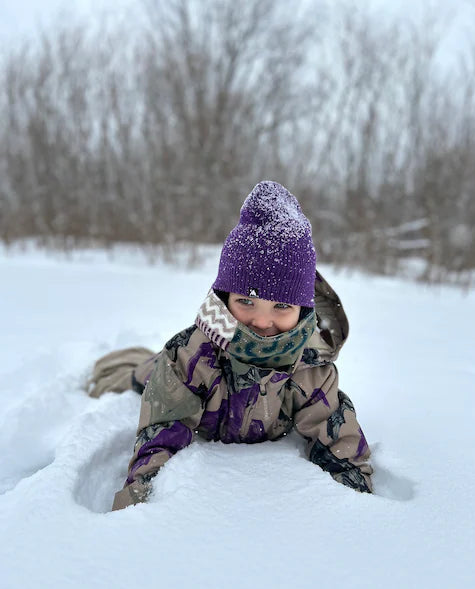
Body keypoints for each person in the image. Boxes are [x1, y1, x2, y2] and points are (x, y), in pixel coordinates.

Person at [88, 181, 373, 510]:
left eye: (281, 307)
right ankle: (120, 364)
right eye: (246, 302)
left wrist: (358, 507)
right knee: (142, 375)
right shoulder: (188, 355)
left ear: (302, 310)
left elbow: (337, 437)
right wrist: (138, 502)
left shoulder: (312, 369)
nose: (263, 322)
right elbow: (161, 431)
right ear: (225, 299)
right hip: (176, 373)